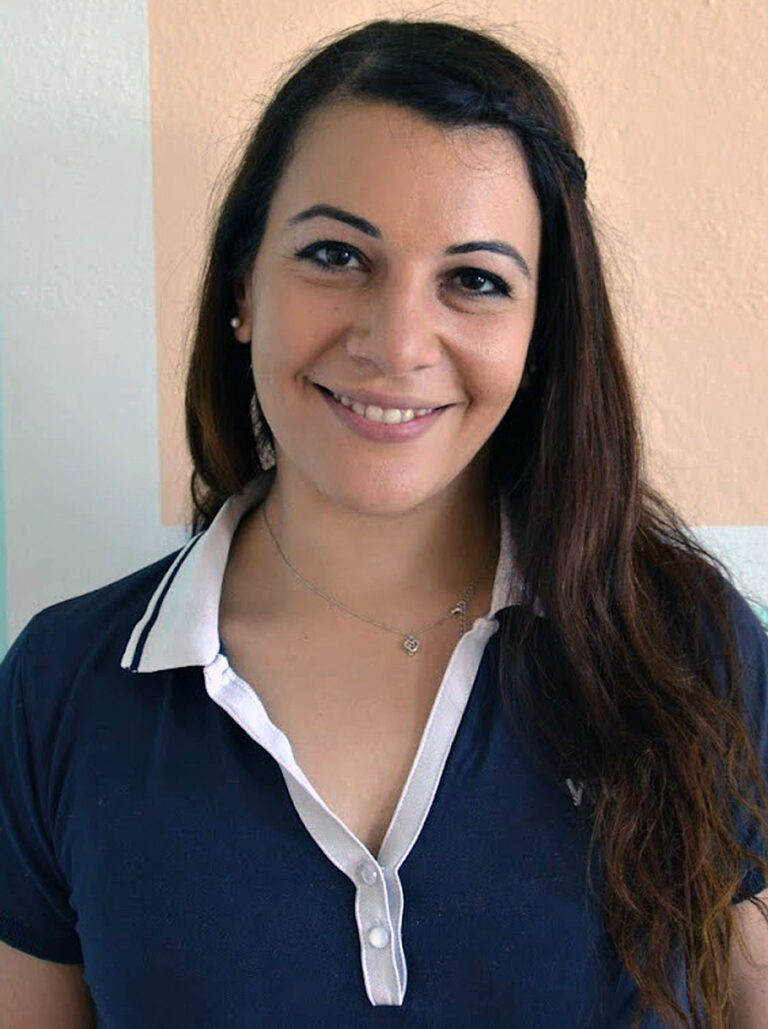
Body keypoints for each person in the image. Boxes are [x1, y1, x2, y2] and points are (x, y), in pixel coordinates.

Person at [1, 17, 767, 1029]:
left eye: (475, 280)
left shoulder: (689, 649)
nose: (397, 342)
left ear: (541, 331)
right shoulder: (60, 688)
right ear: (242, 287)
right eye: (336, 254)